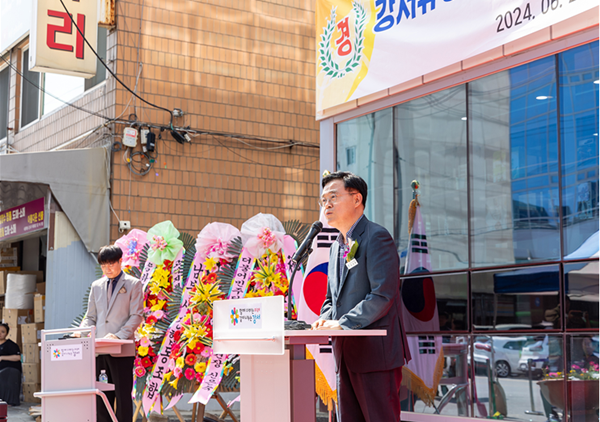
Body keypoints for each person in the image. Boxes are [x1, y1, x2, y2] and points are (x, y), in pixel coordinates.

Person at [312, 171, 411, 422]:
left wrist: (343, 323)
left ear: (357, 199)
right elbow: (329, 299)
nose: (327, 205)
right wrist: (324, 320)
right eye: (323, 200)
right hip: (344, 353)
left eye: (333, 197)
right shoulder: (336, 246)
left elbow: (382, 295)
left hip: (375, 356)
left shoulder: (377, 237)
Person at [80, 245, 143, 422]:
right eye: (103, 265)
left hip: (121, 350)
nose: (107, 268)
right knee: (102, 396)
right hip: (99, 349)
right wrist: (82, 332)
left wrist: (118, 336)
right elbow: (90, 316)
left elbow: (136, 316)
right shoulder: (96, 285)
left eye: (111, 264)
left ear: (120, 261)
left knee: (122, 396)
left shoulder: (133, 284)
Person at [0, 322, 22, 406]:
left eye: (3, 331)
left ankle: (8, 401)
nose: (0, 334)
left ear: (7, 333)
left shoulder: (11, 345)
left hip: (10, 369)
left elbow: (18, 357)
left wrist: (2, 357)